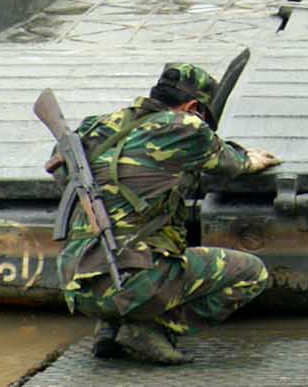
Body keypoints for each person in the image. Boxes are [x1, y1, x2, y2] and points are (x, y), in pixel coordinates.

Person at [50, 60, 281, 366]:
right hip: (129, 282)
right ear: (193, 106)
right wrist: (249, 158)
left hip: (75, 281)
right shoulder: (186, 126)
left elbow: (58, 169)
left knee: (136, 233)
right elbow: (229, 162)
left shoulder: (96, 126)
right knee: (252, 274)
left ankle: (109, 329)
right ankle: (148, 327)